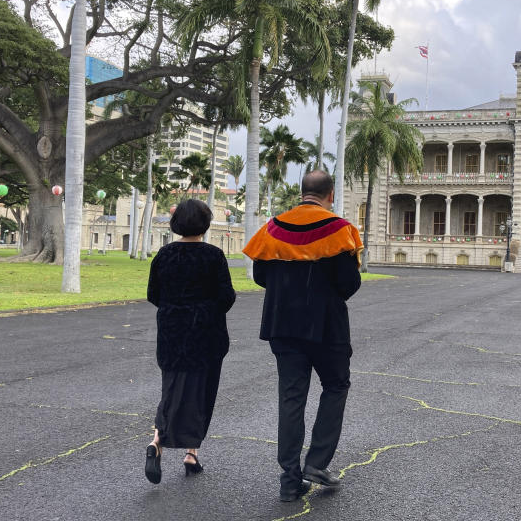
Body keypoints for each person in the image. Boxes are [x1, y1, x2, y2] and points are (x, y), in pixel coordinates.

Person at [243, 170, 363, 502]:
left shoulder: (273, 228)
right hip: (327, 327)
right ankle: (317, 462)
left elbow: (260, 275)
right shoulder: (340, 230)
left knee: (291, 397)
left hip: (283, 325)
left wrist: (288, 288)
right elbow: (349, 284)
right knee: (336, 386)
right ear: (331, 195)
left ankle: (289, 481)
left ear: (301, 193)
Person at [144, 198, 236, 484]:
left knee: (172, 387)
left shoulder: (164, 255)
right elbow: (226, 297)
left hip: (172, 332)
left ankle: (157, 439)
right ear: (205, 224)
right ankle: (191, 453)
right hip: (206, 334)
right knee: (202, 392)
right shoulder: (213, 256)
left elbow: (153, 294)